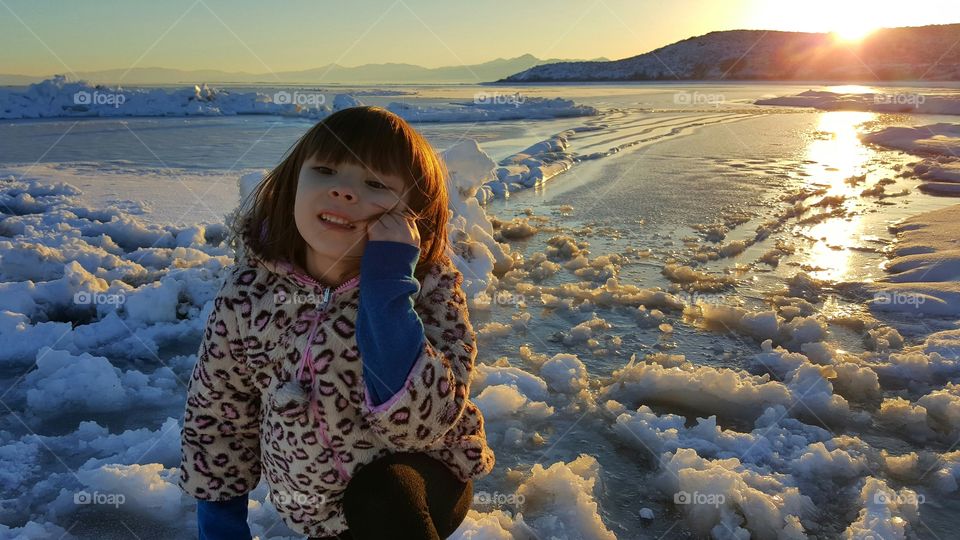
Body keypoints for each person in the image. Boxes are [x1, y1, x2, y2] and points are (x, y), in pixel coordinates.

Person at [178, 106, 495, 539]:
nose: (344, 191)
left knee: (383, 496)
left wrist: (387, 287)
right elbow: (218, 412)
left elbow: (424, 423)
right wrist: (221, 525)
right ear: (294, 183)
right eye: (325, 170)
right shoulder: (247, 294)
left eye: (375, 183)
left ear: (410, 213)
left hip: (422, 477)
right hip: (318, 513)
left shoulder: (429, 286)